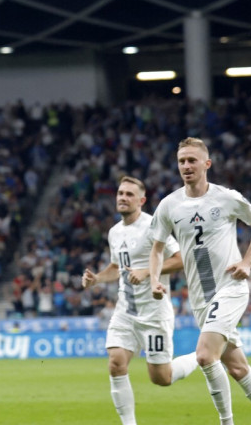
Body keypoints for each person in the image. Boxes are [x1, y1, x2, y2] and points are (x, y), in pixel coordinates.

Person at [148, 138, 251, 425]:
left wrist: (247, 262)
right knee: (238, 369)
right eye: (182, 161)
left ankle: (226, 422)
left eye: (192, 160)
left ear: (207, 163)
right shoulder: (169, 205)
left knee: (204, 356)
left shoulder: (226, 197)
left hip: (230, 288)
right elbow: (156, 248)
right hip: (201, 298)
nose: (186, 166)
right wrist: (155, 279)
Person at [82, 176, 197, 425]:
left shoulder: (154, 226)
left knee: (161, 378)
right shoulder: (114, 232)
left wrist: (148, 272)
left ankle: (200, 356)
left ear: (141, 201)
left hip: (154, 312)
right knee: (116, 362)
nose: (123, 197)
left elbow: (180, 259)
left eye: (129, 194)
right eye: (120, 193)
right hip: (125, 310)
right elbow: (117, 267)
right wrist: (98, 279)